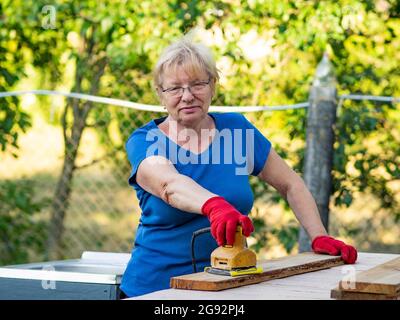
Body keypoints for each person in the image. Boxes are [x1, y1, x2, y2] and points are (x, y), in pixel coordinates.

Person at [120, 37, 357, 298]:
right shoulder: (145, 140)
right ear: (160, 94)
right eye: (175, 88)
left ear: (213, 86)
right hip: (156, 289)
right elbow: (168, 185)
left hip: (227, 288)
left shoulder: (236, 130)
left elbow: (290, 184)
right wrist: (215, 206)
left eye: (198, 84)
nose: (187, 96)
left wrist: (318, 236)